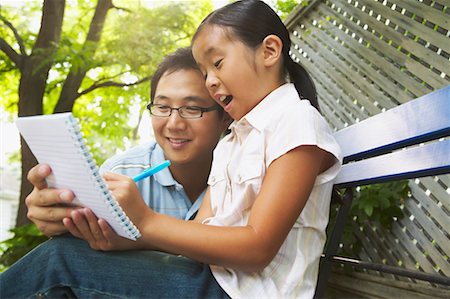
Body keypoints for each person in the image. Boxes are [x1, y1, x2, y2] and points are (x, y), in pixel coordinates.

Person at [2, 1, 342, 298]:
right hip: (211, 280)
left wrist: (145, 221)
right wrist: (121, 240)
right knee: (67, 250)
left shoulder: (296, 121)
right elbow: (204, 236)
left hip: (237, 292)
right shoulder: (235, 141)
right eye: (205, 71)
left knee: (58, 264)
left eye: (217, 63)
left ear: (269, 51)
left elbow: (256, 248)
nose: (210, 80)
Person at [0, 47, 231, 298]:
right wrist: (60, 219)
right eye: (162, 107)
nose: (174, 123)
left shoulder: (243, 177)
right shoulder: (121, 175)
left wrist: (144, 232)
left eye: (192, 108)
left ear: (225, 118)